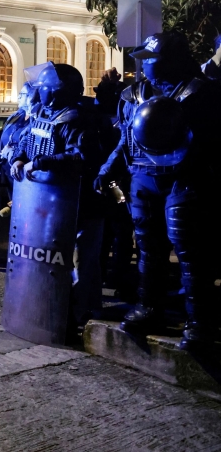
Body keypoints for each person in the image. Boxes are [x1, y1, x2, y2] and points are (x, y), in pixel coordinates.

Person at [97, 32, 221, 350]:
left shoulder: (202, 94)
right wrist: (109, 168)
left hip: (185, 180)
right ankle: (148, 308)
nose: (146, 65)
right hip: (142, 178)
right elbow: (127, 139)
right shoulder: (132, 95)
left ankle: (200, 323)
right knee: (149, 249)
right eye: (145, 60)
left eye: (153, 59)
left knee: (190, 252)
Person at [10, 63, 104, 330]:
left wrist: (41, 163)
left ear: (57, 91)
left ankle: (80, 315)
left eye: (43, 88)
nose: (38, 92)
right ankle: (53, 309)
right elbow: (26, 141)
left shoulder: (79, 118)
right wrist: (19, 158)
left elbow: (82, 157)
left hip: (80, 205)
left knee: (80, 262)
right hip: (49, 203)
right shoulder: (42, 113)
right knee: (51, 260)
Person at [94, 68, 136, 299]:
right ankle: (116, 276)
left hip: (112, 183)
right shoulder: (112, 122)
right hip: (115, 183)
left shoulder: (105, 121)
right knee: (118, 230)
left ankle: (109, 275)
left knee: (114, 231)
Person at [0, 83, 33, 224]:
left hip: (21, 173)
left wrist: (13, 153)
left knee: (22, 213)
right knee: (7, 215)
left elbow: (29, 147)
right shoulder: (17, 116)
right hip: (5, 172)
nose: (19, 96)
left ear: (31, 97)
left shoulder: (36, 119)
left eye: (22, 94)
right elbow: (0, 141)